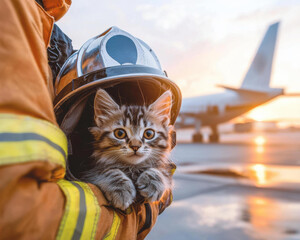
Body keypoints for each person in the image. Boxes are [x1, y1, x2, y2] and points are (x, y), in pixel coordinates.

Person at [0, 0, 181, 239]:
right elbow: (22, 211)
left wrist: (160, 176)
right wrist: (140, 214)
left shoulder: (53, 37)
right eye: (122, 133)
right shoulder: (15, 14)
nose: (136, 145)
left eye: (147, 135)